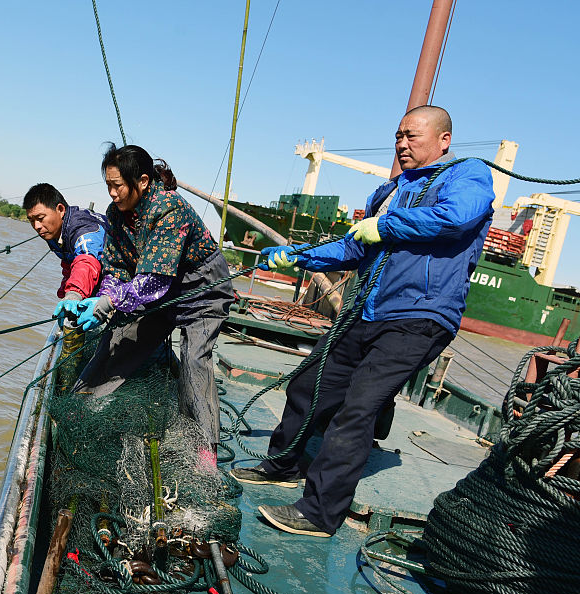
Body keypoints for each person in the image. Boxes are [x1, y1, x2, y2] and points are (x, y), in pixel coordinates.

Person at [233, 105, 495, 537]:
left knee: (357, 409)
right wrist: (297, 256)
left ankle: (319, 513)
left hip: (420, 316)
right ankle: (285, 464)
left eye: (412, 135)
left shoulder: (467, 175)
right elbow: (355, 248)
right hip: (368, 311)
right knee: (308, 382)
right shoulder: (387, 192)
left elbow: (455, 217)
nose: (402, 143)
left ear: (444, 140)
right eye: (398, 136)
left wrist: (387, 226)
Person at [61, 144, 235, 457]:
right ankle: (81, 403)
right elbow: (115, 269)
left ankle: (204, 449)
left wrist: (111, 301)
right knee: (118, 335)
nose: (112, 193)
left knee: (195, 360)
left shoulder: (168, 208)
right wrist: (102, 298)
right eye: (108, 186)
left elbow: (154, 281)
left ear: (142, 181)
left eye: (117, 185)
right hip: (157, 287)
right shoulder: (115, 215)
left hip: (202, 288)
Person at [23, 183, 107, 303]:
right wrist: (64, 292)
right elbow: (69, 261)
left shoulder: (82, 228)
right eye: (31, 220)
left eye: (41, 218)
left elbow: (87, 262)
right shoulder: (53, 232)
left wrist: (74, 295)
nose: (37, 226)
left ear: (61, 210)